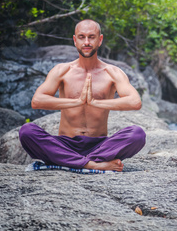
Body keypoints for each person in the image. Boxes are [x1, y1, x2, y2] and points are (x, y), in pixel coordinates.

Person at [19, 19, 146, 171]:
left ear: (100, 40)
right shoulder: (62, 70)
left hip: (99, 146)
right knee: (27, 131)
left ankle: (70, 162)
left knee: (137, 134)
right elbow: (37, 101)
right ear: (75, 40)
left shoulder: (112, 72)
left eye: (91, 37)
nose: (86, 42)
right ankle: (93, 165)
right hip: (65, 144)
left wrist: (95, 103)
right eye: (82, 37)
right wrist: (78, 101)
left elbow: (135, 102)